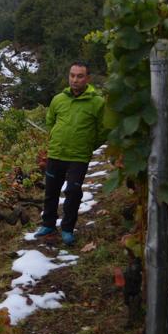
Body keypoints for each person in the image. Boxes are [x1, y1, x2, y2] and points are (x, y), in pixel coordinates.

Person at [35, 61, 106, 245]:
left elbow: (104, 130)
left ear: (87, 78)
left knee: (73, 192)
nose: (75, 80)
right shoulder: (58, 99)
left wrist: (88, 145)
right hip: (56, 153)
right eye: (72, 75)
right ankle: (48, 223)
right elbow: (50, 121)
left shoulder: (97, 103)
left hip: (78, 156)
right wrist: (54, 139)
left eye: (80, 76)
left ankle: (67, 228)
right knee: (51, 191)